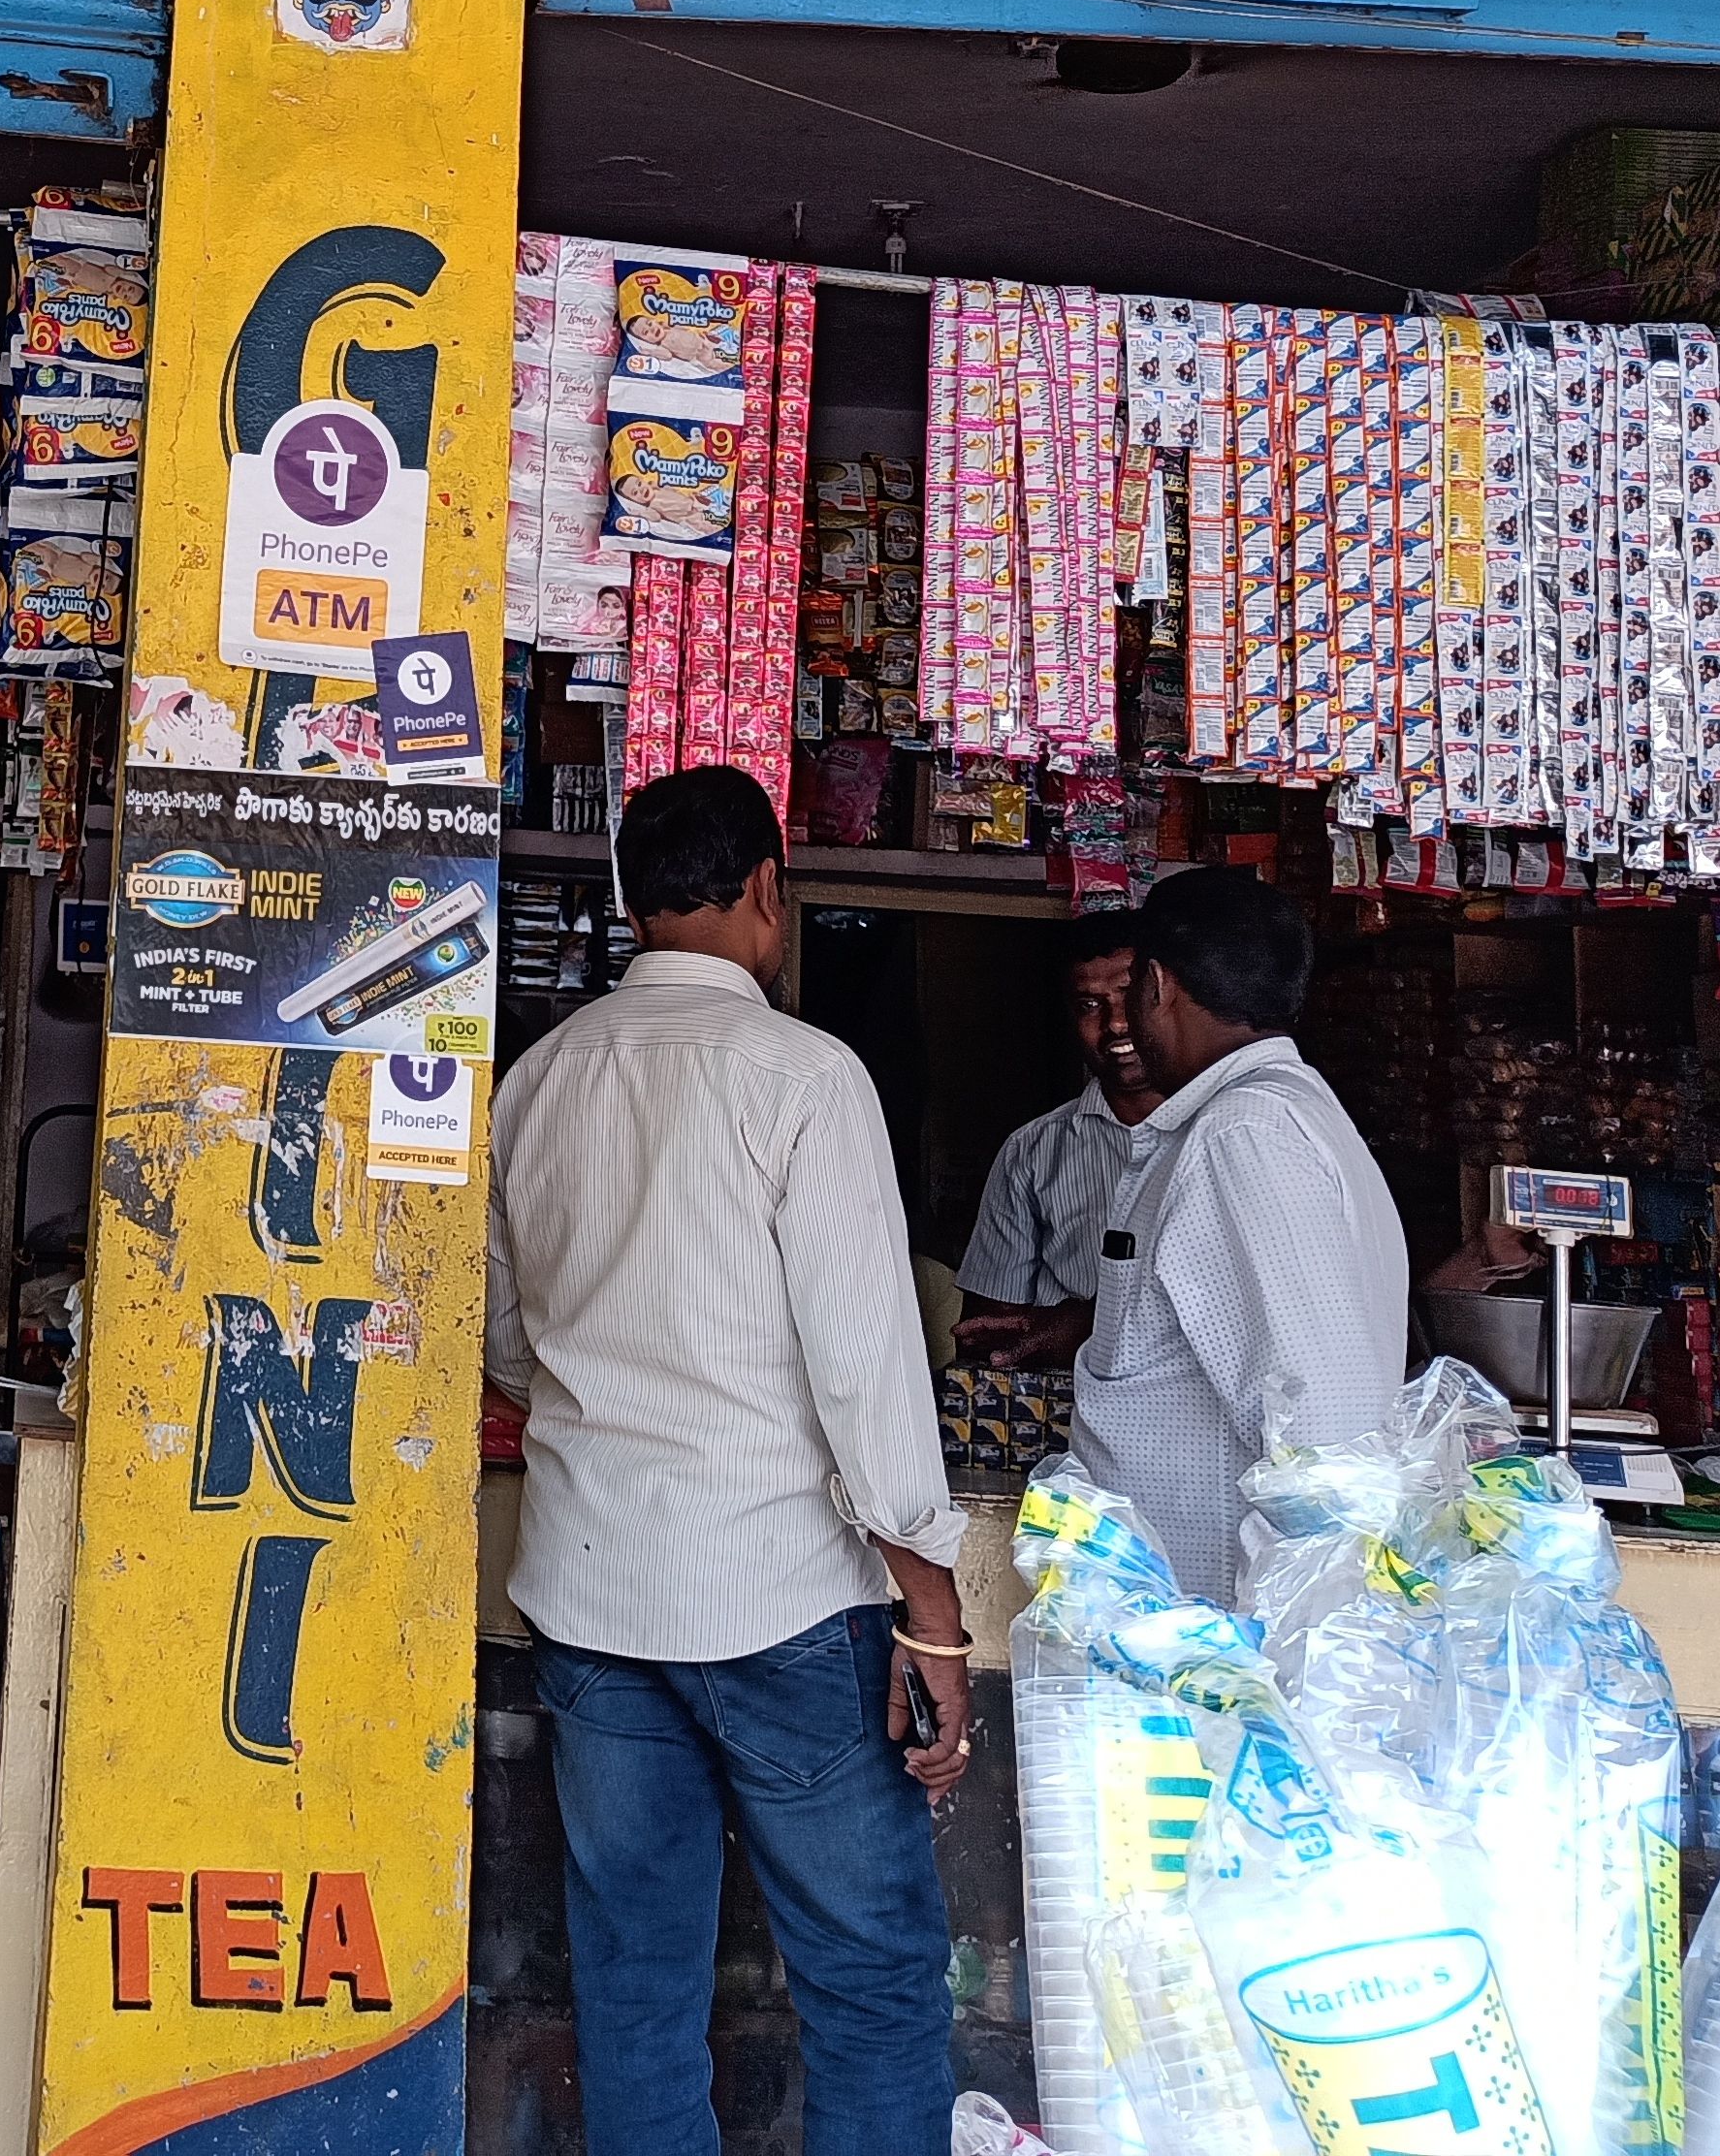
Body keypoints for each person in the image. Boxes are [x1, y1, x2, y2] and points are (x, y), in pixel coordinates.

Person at [484, 761, 974, 2156]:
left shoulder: (540, 1082)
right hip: (780, 1606)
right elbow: (867, 1374)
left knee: (635, 1990)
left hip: (588, 1598)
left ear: (639, 904)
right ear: (768, 894)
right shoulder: (806, 1079)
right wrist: (930, 1622)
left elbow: (507, 1342)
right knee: (870, 1983)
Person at [1067, 863, 1409, 1605]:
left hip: (1218, 1636)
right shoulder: (1279, 1117)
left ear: (1156, 985)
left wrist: (1285, 1637)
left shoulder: (1243, 1134)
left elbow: (1323, 1414)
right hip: (1201, 1629)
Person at [951, 914, 1152, 1367]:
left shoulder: (1222, 1134)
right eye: (1089, 1005)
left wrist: (1081, 1325)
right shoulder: (1033, 1152)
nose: (1116, 1024)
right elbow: (989, 1333)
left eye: (1130, 997)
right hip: (1060, 1415)